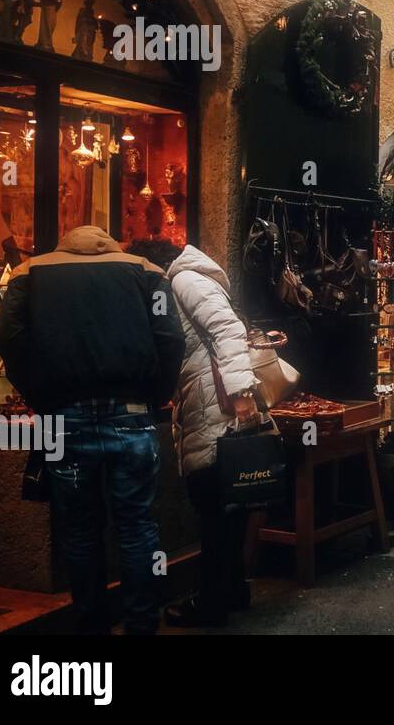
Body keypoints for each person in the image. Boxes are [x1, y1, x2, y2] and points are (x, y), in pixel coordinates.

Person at [0, 226, 185, 635]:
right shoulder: (147, 271)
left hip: (65, 417)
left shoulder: (32, 272)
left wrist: (39, 391)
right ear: (110, 244)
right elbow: (170, 337)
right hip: (131, 414)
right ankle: (140, 624)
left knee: (80, 528)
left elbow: (6, 334)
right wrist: (156, 395)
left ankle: (91, 624)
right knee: (137, 524)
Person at [148, 241, 261, 629]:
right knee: (225, 503)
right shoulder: (186, 280)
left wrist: (242, 392)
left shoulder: (182, 280)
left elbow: (228, 329)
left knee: (213, 503)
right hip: (209, 399)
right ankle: (231, 589)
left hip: (216, 402)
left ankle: (213, 602)